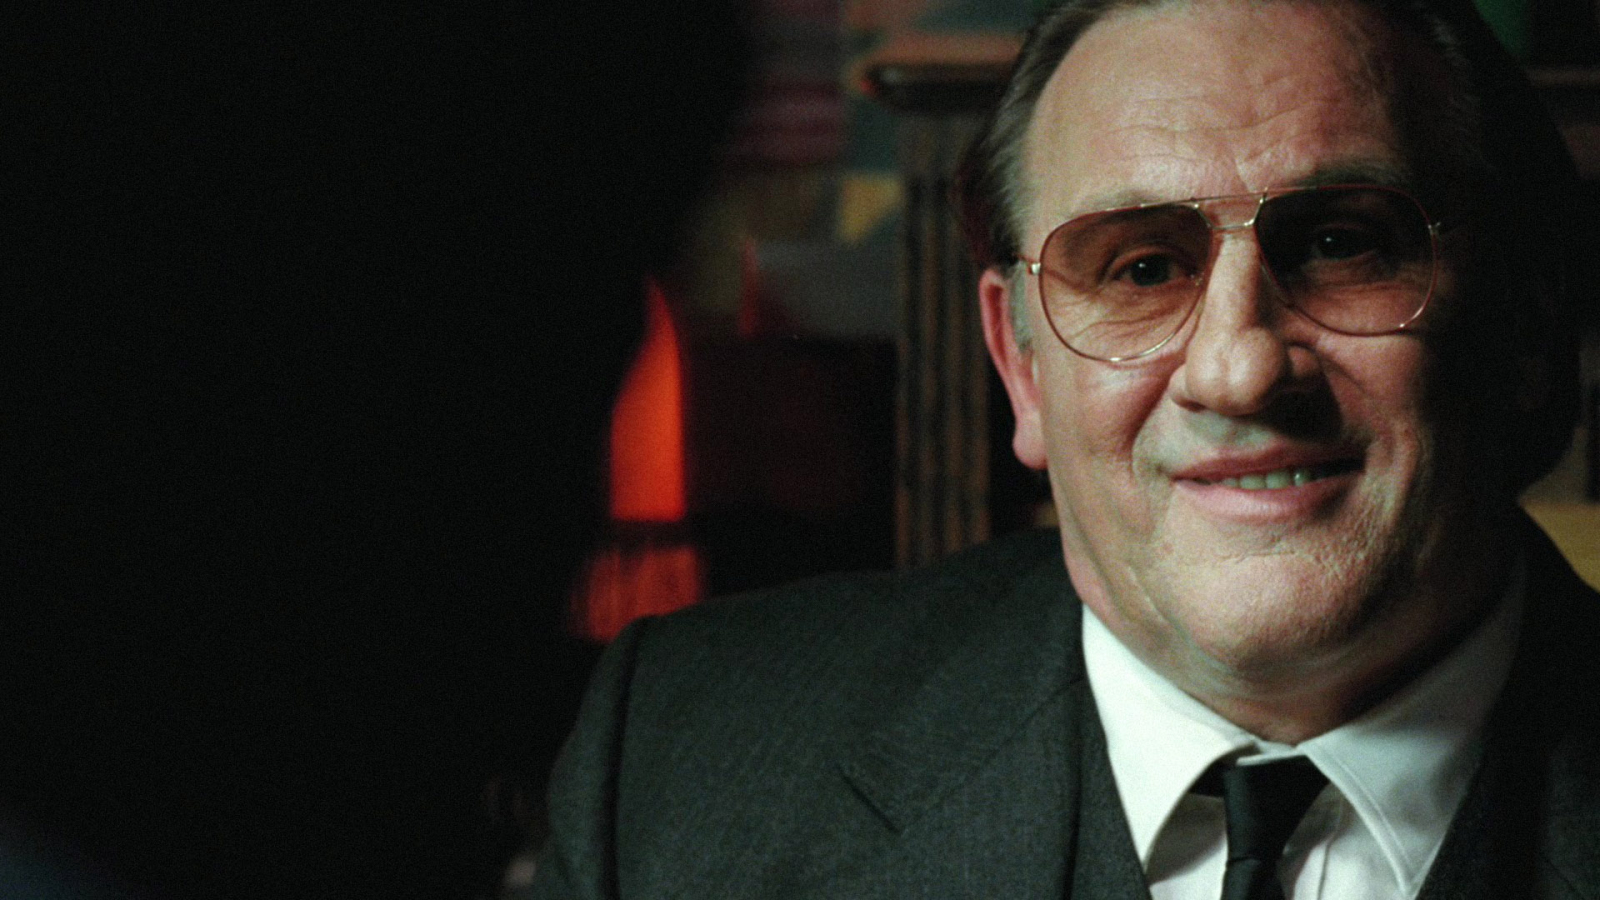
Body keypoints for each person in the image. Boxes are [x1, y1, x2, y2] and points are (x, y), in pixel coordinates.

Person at [528, 0, 1599, 897]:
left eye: (1339, 243)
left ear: (1523, 319)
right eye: (1142, 269)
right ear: (1021, 365)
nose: (1238, 369)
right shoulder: (682, 763)